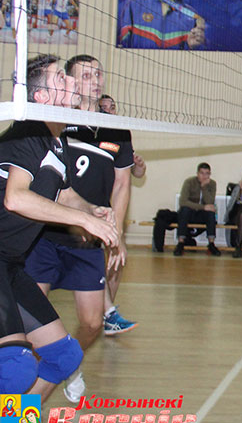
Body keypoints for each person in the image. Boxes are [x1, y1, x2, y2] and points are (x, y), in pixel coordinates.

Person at [0, 54, 119, 399]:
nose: (72, 81)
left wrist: (92, 210)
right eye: (61, 78)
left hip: (10, 264)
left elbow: (65, 194)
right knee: (15, 368)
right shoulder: (28, 132)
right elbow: (16, 199)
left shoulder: (55, 140)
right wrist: (82, 220)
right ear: (41, 97)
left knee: (64, 356)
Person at [24, 55, 135, 402]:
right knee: (27, 333)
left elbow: (121, 184)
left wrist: (113, 232)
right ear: (68, 83)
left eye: (98, 73)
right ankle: (24, 407)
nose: (95, 80)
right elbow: (25, 192)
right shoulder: (52, 123)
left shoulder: (115, 128)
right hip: (42, 237)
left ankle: (66, 364)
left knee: (91, 324)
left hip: (87, 241)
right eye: (84, 75)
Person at [174, 163, 221, 257]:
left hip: (201, 215)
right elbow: (183, 201)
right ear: (197, 173)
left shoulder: (212, 184)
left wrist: (204, 187)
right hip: (190, 213)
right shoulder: (189, 182)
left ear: (210, 174)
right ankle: (181, 243)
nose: (204, 176)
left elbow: (210, 202)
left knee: (211, 212)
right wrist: (203, 207)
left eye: (207, 173)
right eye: (202, 173)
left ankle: (211, 244)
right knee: (184, 210)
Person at [97, 95, 147, 179]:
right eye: (104, 108)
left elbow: (137, 173)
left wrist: (140, 166)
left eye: (112, 108)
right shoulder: (87, 131)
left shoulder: (121, 133)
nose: (109, 111)